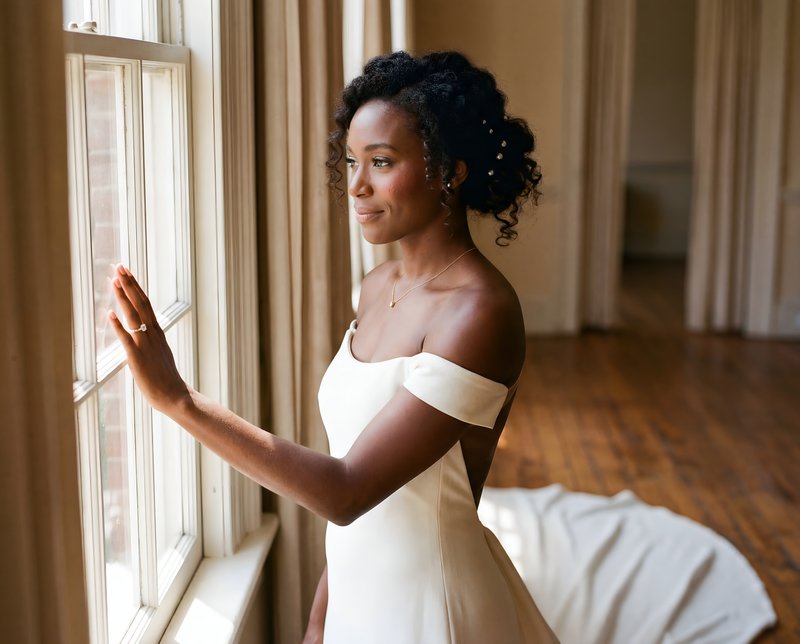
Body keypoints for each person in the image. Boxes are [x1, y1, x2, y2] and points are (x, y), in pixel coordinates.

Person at [110, 50, 558, 643]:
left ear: (450, 171)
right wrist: (324, 611)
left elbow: (348, 488)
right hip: (359, 598)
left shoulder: (480, 313)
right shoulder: (375, 288)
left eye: (382, 161)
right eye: (351, 161)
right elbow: (363, 477)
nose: (357, 185)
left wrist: (181, 402)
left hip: (432, 606)